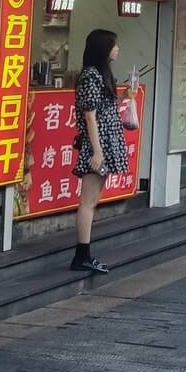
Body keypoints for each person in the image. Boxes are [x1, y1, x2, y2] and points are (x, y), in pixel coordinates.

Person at [72, 28, 128, 274]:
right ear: (103, 48)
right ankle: (82, 255)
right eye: (114, 45)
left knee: (92, 201)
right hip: (98, 145)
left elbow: (101, 110)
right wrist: (97, 151)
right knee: (88, 201)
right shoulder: (90, 76)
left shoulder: (100, 74)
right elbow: (90, 116)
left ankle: (83, 255)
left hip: (104, 143)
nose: (117, 49)